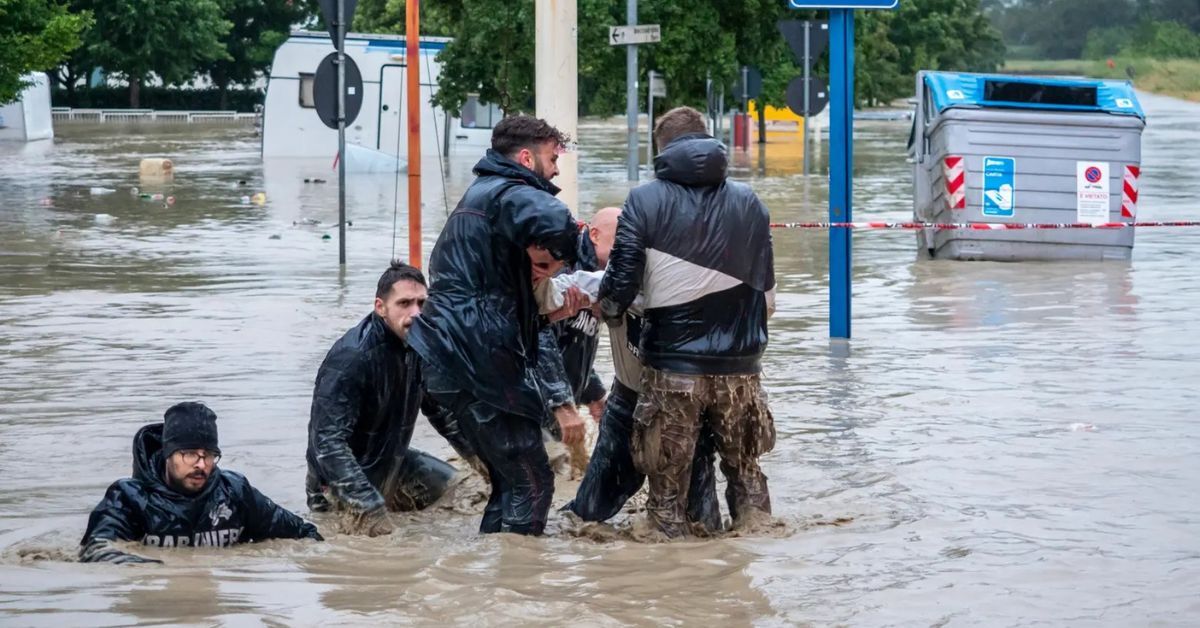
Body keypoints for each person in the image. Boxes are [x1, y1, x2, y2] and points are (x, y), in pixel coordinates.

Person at [598, 106, 777, 539]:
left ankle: (677, 588)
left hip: (674, 368)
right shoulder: (750, 201)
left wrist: (608, 309)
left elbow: (620, 283)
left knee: (666, 498)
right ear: (707, 138)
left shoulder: (644, 200)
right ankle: (757, 558)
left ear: (661, 150)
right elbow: (766, 287)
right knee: (747, 475)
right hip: (742, 371)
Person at [408, 115, 585, 536]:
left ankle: (495, 578)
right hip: (476, 362)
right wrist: (577, 257)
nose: (557, 168)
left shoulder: (484, 197)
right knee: (534, 479)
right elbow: (558, 222)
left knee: (511, 482)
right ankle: (521, 587)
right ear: (526, 158)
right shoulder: (509, 192)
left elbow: (502, 301)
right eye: (551, 157)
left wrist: (541, 292)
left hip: (451, 360)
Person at [540, 208, 721, 532]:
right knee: (585, 515)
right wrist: (566, 402)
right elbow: (544, 325)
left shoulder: (694, 278)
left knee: (700, 522)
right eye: (623, 241)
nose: (631, 249)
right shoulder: (601, 277)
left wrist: (592, 394)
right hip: (620, 399)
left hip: (686, 405)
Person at [306, 261, 471, 537]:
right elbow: (327, 442)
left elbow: (443, 412)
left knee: (461, 489)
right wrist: (368, 505)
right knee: (369, 552)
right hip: (340, 478)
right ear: (380, 307)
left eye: (421, 303)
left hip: (392, 460)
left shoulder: (421, 344)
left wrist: (484, 458)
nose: (416, 313)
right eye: (404, 303)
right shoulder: (351, 359)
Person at [80, 402, 322, 564]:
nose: (201, 464)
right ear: (168, 454)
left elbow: (304, 534)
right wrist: (155, 570)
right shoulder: (129, 498)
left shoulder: (234, 492)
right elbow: (97, 550)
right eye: (189, 454)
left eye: (208, 455)